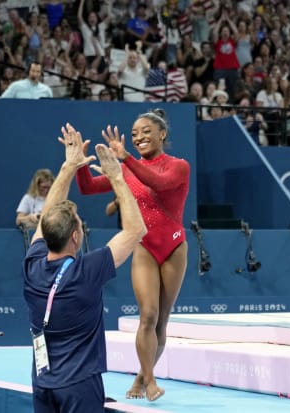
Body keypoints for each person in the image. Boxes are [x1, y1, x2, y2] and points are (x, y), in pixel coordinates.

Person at [23, 123, 146, 413]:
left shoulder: (32, 265)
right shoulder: (86, 270)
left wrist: (68, 167)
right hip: (79, 386)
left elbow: (44, 221)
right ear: (76, 237)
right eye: (79, 223)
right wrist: (117, 177)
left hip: (42, 383)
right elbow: (135, 230)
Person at [75, 109, 190, 401]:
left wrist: (125, 159)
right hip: (144, 246)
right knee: (147, 315)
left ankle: (141, 376)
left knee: (162, 320)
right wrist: (78, 164)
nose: (139, 138)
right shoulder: (128, 168)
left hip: (174, 246)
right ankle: (150, 381)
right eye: (135, 134)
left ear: (162, 134)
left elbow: (159, 183)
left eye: (146, 132)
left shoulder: (179, 166)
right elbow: (88, 188)